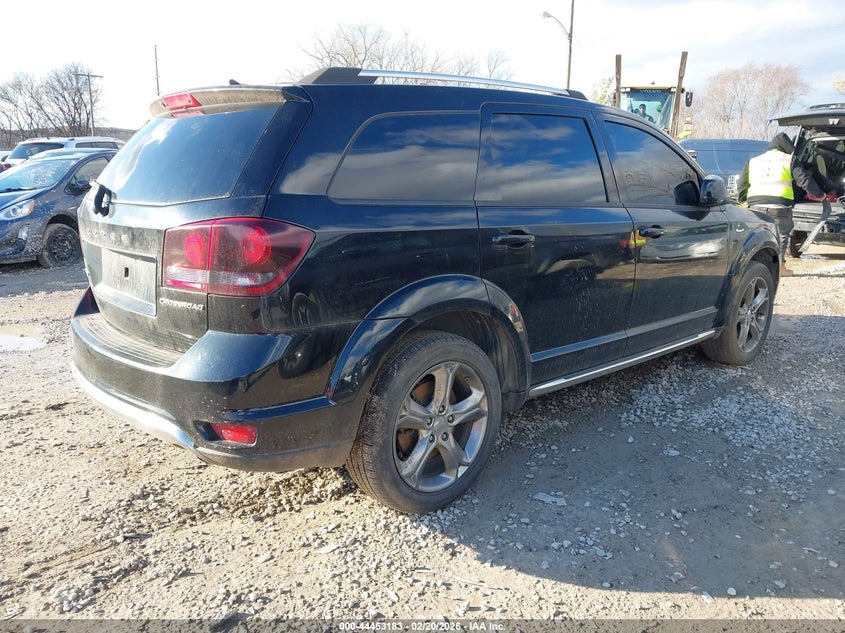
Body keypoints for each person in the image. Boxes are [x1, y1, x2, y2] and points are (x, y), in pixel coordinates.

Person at [736, 132, 797, 277]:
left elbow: (741, 183)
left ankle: (755, 266)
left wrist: (744, 199)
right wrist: (819, 194)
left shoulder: (755, 160)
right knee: (781, 236)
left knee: (756, 236)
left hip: (755, 205)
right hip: (779, 206)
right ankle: (779, 268)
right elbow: (803, 179)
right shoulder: (789, 160)